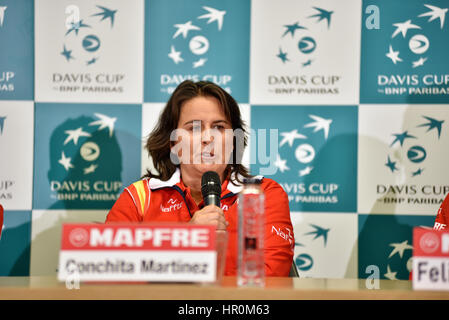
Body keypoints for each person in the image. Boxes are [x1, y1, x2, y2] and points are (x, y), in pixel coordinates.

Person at [106, 80, 295, 276]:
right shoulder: (138, 198)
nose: (207, 138)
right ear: (172, 143)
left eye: (219, 127)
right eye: (194, 128)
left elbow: (270, 278)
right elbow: (111, 269)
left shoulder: (263, 193)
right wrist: (187, 239)